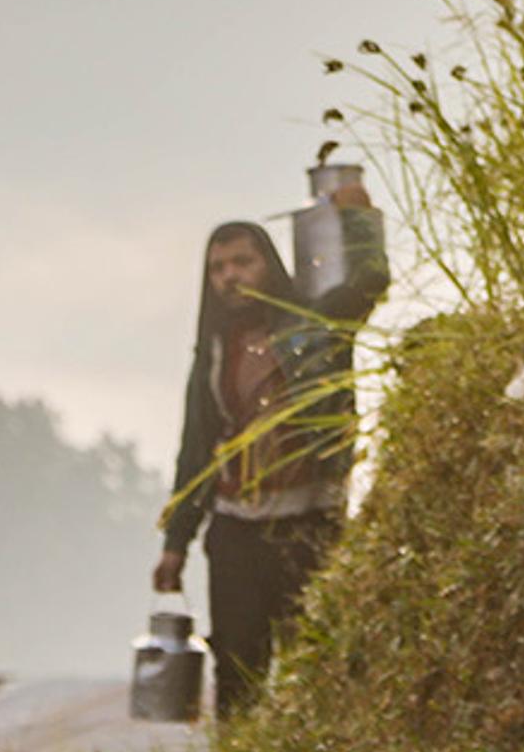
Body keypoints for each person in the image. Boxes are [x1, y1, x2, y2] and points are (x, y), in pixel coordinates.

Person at [154, 173, 390, 718]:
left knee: (322, 662)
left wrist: (357, 217)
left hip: (311, 520)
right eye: (218, 268)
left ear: (269, 265)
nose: (230, 276)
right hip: (235, 527)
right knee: (237, 665)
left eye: (242, 262)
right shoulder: (214, 351)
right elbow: (196, 449)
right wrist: (175, 544)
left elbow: (372, 278)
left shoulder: (315, 325)